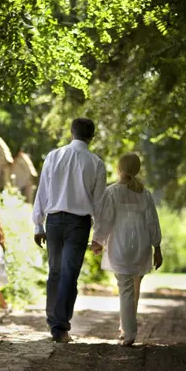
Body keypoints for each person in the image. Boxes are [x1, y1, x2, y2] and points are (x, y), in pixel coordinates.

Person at [33, 118, 107, 343]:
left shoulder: (53, 156)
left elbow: (42, 192)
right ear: (91, 137)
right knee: (68, 274)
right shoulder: (96, 163)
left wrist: (38, 224)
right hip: (79, 224)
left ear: (71, 133)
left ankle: (54, 322)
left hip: (53, 222)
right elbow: (100, 203)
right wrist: (99, 236)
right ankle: (60, 327)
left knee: (54, 272)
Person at [91, 152, 163, 346]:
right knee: (133, 288)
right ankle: (126, 328)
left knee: (125, 289)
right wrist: (157, 247)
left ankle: (129, 333)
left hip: (120, 244)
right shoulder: (144, 193)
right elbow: (152, 222)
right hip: (142, 244)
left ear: (119, 169)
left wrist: (97, 240)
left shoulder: (112, 192)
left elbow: (105, 220)